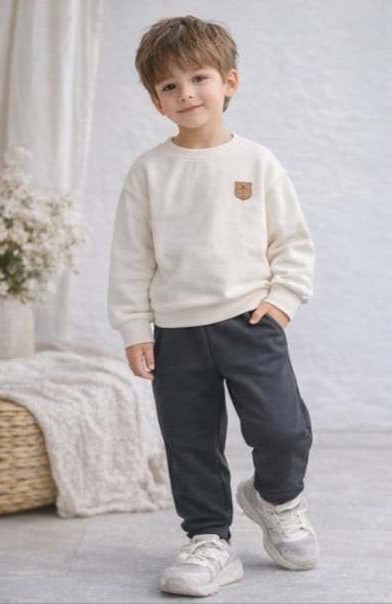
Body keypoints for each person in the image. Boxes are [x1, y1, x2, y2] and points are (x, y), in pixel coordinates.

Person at [107, 14, 319, 598]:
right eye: (169, 86)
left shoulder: (258, 162)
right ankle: (208, 540)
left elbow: (292, 242)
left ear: (229, 82)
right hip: (176, 333)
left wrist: (282, 301)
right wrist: (134, 328)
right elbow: (131, 257)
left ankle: (277, 499)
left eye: (198, 78)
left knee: (282, 429)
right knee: (190, 442)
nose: (186, 93)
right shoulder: (148, 172)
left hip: (251, 323)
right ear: (156, 102)